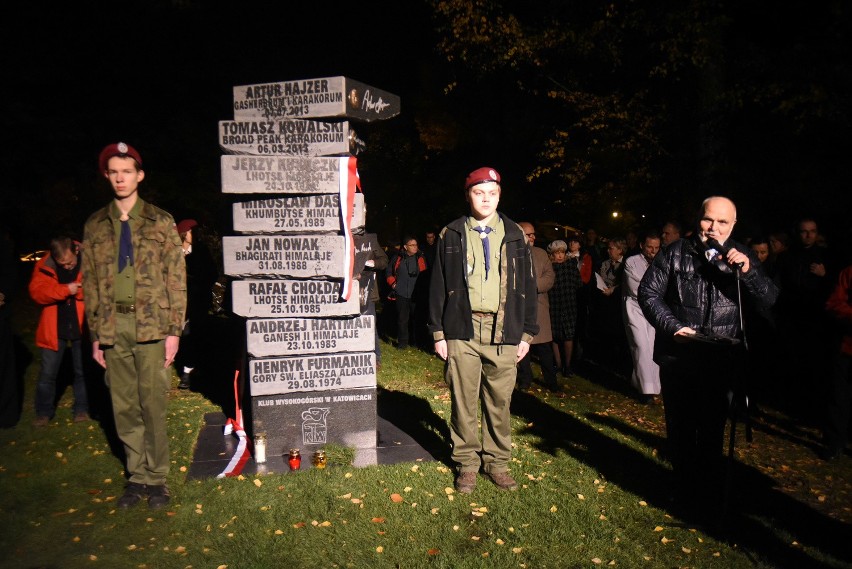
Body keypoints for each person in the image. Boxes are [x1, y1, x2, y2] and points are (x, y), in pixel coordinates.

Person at [639, 196, 778, 515]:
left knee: (713, 429)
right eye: (708, 219)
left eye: (722, 222)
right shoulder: (676, 252)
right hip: (680, 357)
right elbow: (648, 293)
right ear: (698, 218)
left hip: (721, 360)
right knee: (681, 429)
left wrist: (748, 272)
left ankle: (707, 493)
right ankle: (683, 490)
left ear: (733, 224)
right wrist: (672, 326)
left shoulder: (740, 254)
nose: (714, 228)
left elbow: (769, 299)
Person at [82, 142, 186, 510]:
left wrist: (174, 331)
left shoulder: (160, 221)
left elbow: (176, 279)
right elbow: (91, 283)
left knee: (152, 404)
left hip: (152, 327)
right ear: (107, 176)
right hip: (113, 326)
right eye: (114, 172)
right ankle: (136, 476)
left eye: (127, 171)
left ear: (139, 175)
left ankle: (157, 479)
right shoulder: (95, 225)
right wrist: (96, 336)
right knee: (123, 406)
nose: (120, 178)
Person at [428, 166, 537, 493]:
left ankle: (497, 463)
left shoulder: (515, 234)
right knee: (463, 402)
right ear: (468, 195)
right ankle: (467, 464)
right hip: (462, 329)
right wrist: (438, 332)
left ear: (499, 196)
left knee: (499, 403)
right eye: (479, 192)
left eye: (492, 193)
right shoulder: (452, 233)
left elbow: (529, 287)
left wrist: (527, 332)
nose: (486, 199)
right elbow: (437, 285)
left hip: (504, 331)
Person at [29, 237, 89, 425]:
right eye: (62, 264)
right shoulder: (45, 264)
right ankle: (43, 412)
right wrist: (65, 290)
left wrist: (78, 291)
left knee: (83, 371)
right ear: (55, 259)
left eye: (70, 263)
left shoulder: (90, 259)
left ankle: (82, 409)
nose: (68, 267)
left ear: (76, 252)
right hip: (54, 327)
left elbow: (99, 289)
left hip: (82, 325)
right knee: (48, 373)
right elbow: (37, 292)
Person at [174, 219, 218, 390]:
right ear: (184, 233)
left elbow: (212, 273)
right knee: (181, 337)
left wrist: (198, 282)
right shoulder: (173, 253)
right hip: (178, 304)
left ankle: (189, 372)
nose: (195, 235)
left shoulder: (201, 252)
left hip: (197, 302)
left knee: (193, 336)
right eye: (192, 231)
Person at [515, 222, 557, 392]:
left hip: (539, 306)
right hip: (520, 307)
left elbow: (550, 277)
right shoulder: (512, 253)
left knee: (545, 348)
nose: (533, 237)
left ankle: (551, 381)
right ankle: (525, 379)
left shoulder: (541, 254)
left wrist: (532, 285)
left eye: (533, 234)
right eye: (528, 234)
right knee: (523, 346)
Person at [622, 233, 662, 403]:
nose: (652, 251)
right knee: (640, 346)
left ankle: (650, 385)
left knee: (652, 348)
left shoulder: (661, 263)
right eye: (649, 247)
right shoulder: (632, 262)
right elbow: (635, 288)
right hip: (634, 308)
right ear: (641, 245)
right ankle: (646, 391)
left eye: (656, 248)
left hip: (653, 310)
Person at [822, 264, 852, 460]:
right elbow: (834, 302)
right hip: (847, 346)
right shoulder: (849, 272)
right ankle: (835, 442)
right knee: (840, 396)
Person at [547, 239, 582, 378]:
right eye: (557, 253)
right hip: (554, 302)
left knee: (568, 335)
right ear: (552, 255)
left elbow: (578, 283)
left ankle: (567, 366)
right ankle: (558, 364)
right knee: (555, 335)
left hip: (568, 304)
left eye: (562, 252)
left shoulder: (571, 265)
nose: (560, 255)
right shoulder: (549, 267)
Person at [386, 236, 427, 349]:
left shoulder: (420, 258)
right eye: (412, 245)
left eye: (416, 245)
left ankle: (416, 342)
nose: (415, 247)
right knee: (402, 319)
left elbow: (424, 275)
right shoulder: (397, 258)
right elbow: (389, 272)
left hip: (416, 295)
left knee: (416, 319)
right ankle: (402, 344)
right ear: (405, 247)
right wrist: (393, 283)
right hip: (401, 293)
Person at [0, 225, 19, 428]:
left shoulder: (3, 245)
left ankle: (6, 415)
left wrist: (3, 293)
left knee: (4, 366)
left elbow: (9, 273)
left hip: (0, 314)